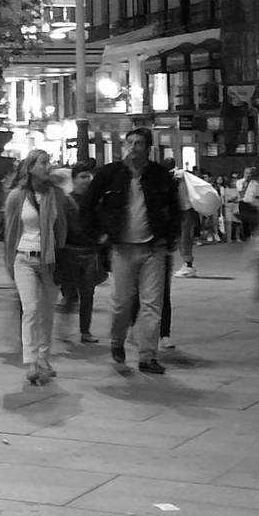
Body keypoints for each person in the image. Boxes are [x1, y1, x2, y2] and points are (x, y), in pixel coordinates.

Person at [88, 126, 180, 374]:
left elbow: (175, 210)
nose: (133, 147)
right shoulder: (110, 174)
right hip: (123, 248)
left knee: (152, 304)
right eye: (129, 142)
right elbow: (88, 206)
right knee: (122, 303)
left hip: (153, 247)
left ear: (148, 148)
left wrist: (169, 238)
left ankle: (147, 356)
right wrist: (100, 235)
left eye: (139, 143)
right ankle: (117, 342)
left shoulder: (160, 176)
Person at [4, 150, 67, 384]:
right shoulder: (16, 197)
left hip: (50, 260)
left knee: (48, 312)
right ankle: (31, 361)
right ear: (30, 168)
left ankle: (43, 357)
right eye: (43, 163)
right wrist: (9, 260)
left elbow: (63, 226)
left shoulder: (56, 195)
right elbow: (10, 230)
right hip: (24, 258)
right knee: (30, 309)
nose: (47, 167)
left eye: (48, 162)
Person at [58, 161, 103, 344]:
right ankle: (64, 326)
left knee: (88, 294)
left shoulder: (94, 201)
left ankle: (85, 331)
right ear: (74, 179)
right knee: (70, 294)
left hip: (89, 252)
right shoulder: (66, 201)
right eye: (82, 177)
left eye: (88, 176)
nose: (86, 180)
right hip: (70, 252)